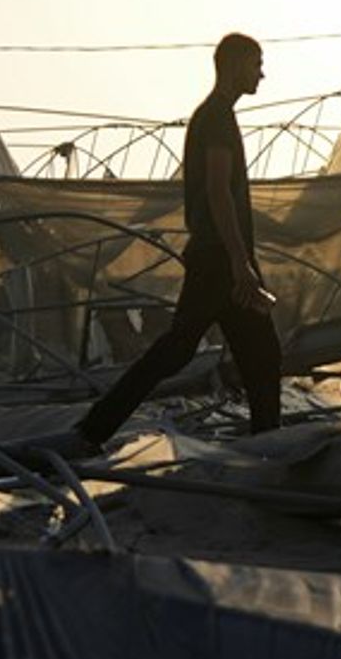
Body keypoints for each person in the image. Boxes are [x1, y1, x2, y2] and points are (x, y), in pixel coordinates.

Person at [75, 32, 281, 449]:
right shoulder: (218, 118)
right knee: (241, 354)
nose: (262, 73)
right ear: (235, 63)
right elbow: (218, 191)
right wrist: (241, 262)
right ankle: (269, 447)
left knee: (237, 352)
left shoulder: (212, 115)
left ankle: (95, 427)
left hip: (216, 258)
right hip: (221, 261)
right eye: (256, 63)